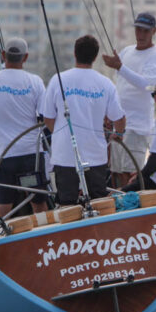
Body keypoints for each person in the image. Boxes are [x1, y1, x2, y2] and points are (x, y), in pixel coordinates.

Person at [42, 34, 126, 206]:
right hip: (95, 156)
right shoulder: (105, 84)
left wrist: (59, 134)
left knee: (67, 206)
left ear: (75, 53)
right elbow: (119, 118)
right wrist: (118, 134)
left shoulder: (58, 80)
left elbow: (48, 117)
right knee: (99, 204)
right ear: (95, 57)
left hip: (64, 155)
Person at [0, 37, 48, 217]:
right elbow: (44, 116)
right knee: (39, 202)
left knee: (4, 205)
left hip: (3, 155)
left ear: (3, 54)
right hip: (30, 154)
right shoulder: (35, 81)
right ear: (26, 57)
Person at [103, 12, 156, 186]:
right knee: (115, 173)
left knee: (130, 174)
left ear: (154, 31)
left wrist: (120, 67)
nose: (141, 34)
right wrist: (109, 113)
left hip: (138, 127)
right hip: (119, 125)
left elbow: (147, 84)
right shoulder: (126, 51)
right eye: (138, 30)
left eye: (146, 31)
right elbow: (119, 85)